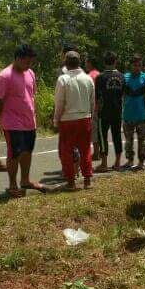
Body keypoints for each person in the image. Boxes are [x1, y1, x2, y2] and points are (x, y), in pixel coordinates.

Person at [0, 45, 46, 197]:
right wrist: (0, 115)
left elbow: (31, 95)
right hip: (12, 122)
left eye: (31, 62)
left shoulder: (30, 73)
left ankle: (25, 181)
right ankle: (12, 185)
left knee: (27, 151)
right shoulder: (5, 76)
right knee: (14, 154)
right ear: (17, 58)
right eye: (27, 61)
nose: (29, 65)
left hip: (29, 121)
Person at [54, 51, 95, 189]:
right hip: (85, 118)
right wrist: (91, 116)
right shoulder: (88, 79)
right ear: (80, 62)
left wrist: (55, 120)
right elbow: (92, 101)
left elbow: (59, 103)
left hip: (67, 120)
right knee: (85, 150)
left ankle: (71, 182)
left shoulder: (63, 79)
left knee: (66, 151)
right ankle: (87, 180)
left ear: (66, 63)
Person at [94, 51, 124, 172]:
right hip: (117, 111)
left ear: (104, 62)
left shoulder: (100, 77)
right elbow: (122, 94)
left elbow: (97, 97)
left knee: (103, 137)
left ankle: (104, 163)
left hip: (104, 112)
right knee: (117, 136)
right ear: (115, 61)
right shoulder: (121, 76)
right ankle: (117, 163)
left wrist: (96, 110)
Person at [123, 54, 145, 171]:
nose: (137, 67)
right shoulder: (125, 77)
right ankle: (129, 160)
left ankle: (141, 161)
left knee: (142, 141)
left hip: (141, 115)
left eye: (140, 65)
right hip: (127, 115)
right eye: (135, 65)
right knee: (128, 141)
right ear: (131, 65)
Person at [85, 57, 101, 160]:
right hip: (100, 106)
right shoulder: (99, 74)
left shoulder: (89, 76)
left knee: (94, 131)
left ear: (90, 63)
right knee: (98, 130)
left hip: (92, 106)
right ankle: (98, 151)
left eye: (86, 63)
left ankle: (96, 153)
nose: (85, 65)